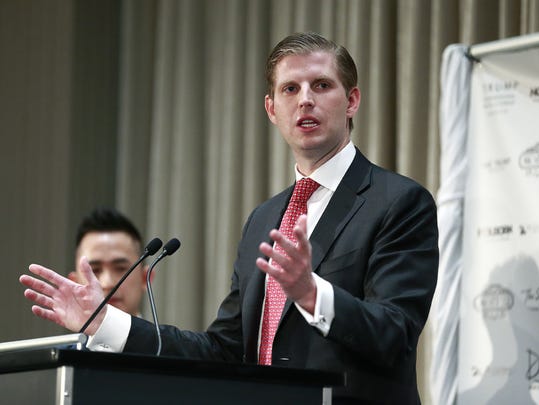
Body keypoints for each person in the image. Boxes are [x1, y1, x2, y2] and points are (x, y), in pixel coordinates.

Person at [20, 32, 438, 403]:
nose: (305, 99)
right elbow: (223, 351)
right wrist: (105, 321)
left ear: (352, 101)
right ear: (272, 109)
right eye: (290, 88)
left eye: (322, 85)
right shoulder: (264, 218)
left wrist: (313, 294)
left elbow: (395, 334)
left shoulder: (399, 202)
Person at [70, 207, 148, 317]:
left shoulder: (165, 335)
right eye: (94, 270)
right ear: (75, 283)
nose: (107, 283)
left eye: (120, 268)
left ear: (145, 278)